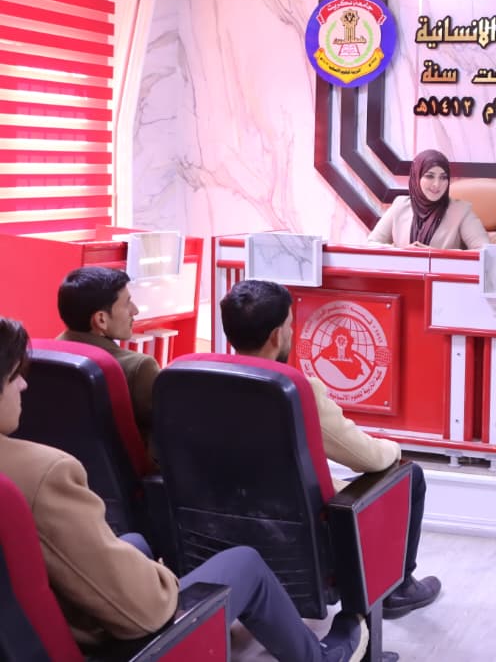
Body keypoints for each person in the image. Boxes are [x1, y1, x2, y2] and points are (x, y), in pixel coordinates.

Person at [0, 316, 368, 662]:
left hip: (35, 627)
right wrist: (165, 581)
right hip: (122, 649)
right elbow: (145, 611)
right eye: (15, 376)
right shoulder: (46, 473)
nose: (25, 385)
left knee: (135, 542)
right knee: (245, 563)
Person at [220, 279, 439, 619]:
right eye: (290, 325)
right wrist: (394, 449)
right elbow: (368, 458)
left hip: (225, 518)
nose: (292, 333)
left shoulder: (199, 380)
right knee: (411, 475)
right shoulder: (295, 391)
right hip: (299, 523)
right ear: (277, 336)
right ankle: (396, 588)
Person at [56, 266, 160, 457]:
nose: (135, 311)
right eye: (127, 304)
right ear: (101, 319)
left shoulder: (41, 355)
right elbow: (168, 432)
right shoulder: (139, 368)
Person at [368, 149, 489, 250]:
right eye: (430, 176)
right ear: (416, 177)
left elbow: (485, 252)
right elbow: (371, 244)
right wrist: (404, 252)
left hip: (442, 272)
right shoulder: (400, 205)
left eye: (443, 177)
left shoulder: (461, 211)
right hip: (404, 271)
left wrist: (436, 255)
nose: (437, 184)